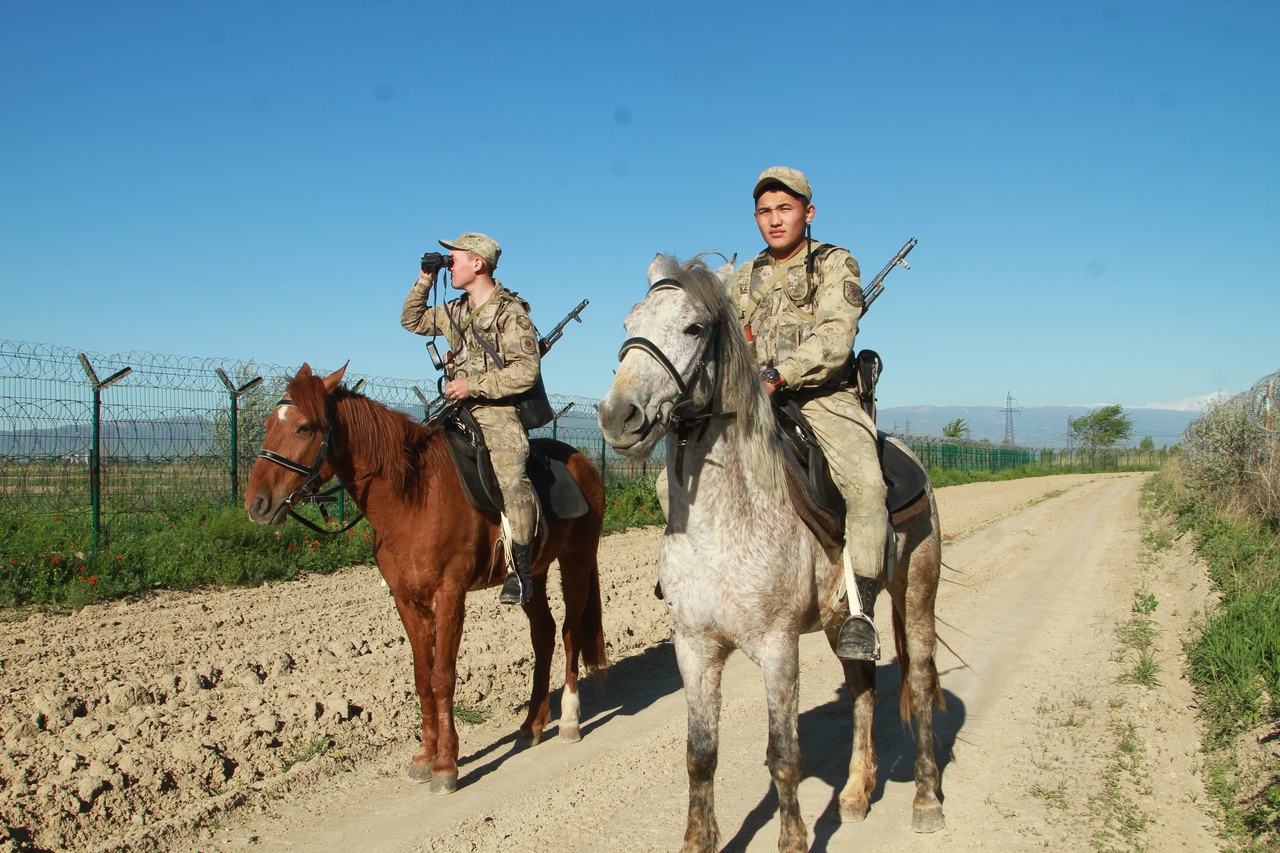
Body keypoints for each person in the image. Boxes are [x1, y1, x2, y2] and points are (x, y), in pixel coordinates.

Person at [733, 167, 889, 660]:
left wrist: (780, 374)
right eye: (764, 211)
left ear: (808, 212)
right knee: (675, 476)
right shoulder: (745, 276)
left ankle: (861, 613)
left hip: (823, 398)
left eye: (785, 208)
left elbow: (836, 339)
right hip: (754, 401)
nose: (774, 220)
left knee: (867, 486)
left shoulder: (835, 263)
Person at [401, 232, 541, 605]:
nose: (449, 265)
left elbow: (525, 371)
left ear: (477, 264)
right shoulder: (455, 311)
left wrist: (472, 384)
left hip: (497, 413)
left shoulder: (511, 313)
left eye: (454, 260)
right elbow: (411, 320)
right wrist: (424, 279)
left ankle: (522, 572)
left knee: (513, 480)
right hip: (456, 409)